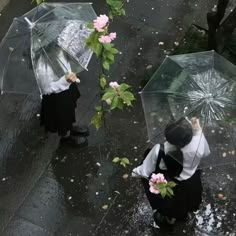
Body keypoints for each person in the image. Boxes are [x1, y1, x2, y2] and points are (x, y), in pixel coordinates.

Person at [132, 118, 210, 231]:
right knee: (188, 201)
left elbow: (144, 171)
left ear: (168, 137)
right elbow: (206, 152)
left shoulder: (160, 149)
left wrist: (135, 172)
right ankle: (182, 215)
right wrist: (198, 131)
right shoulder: (198, 143)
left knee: (169, 205)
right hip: (191, 182)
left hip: (170, 183)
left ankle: (169, 219)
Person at [36, 49, 89, 146]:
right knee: (63, 118)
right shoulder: (42, 67)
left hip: (68, 89)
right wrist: (66, 80)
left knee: (70, 111)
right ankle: (66, 138)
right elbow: (47, 89)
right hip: (58, 97)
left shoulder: (60, 50)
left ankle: (70, 127)